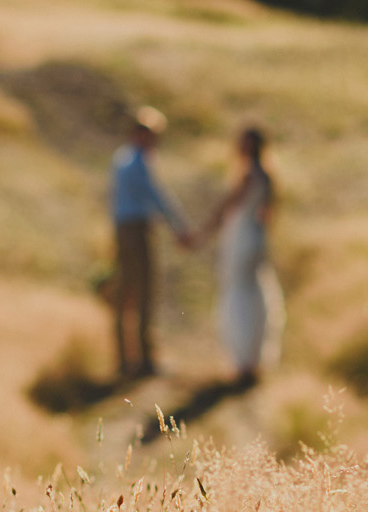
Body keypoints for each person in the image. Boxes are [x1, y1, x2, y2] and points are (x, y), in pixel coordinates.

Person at [109, 107, 193, 381]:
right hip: (137, 229)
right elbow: (157, 196)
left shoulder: (121, 159)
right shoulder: (137, 161)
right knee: (143, 290)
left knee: (126, 291)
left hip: (122, 229)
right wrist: (179, 226)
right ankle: (143, 359)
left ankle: (124, 359)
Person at [198, 126, 283, 387]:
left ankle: (243, 359)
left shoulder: (247, 175)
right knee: (253, 292)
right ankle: (253, 357)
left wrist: (204, 232)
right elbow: (269, 214)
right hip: (256, 237)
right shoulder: (268, 176)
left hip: (241, 238)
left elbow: (228, 205)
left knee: (239, 293)